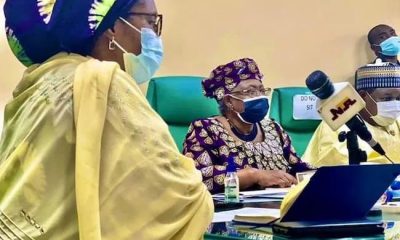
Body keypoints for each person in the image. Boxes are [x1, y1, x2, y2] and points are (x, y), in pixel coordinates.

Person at [0, 0, 212, 239]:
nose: (155, 35)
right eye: (150, 22)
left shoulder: (42, 77)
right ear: (112, 26)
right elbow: (177, 191)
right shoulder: (104, 83)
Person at [182, 58, 311, 194]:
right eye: (249, 91)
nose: (259, 96)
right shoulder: (205, 129)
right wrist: (253, 175)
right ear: (228, 101)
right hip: (230, 210)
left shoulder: (274, 128)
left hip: (279, 207)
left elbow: (297, 167)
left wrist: (316, 174)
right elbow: (197, 177)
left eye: (262, 90)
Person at [303, 67, 400, 166]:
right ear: (362, 96)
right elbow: (337, 172)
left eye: (399, 98)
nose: (395, 104)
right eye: (387, 98)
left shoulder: (397, 122)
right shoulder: (337, 125)